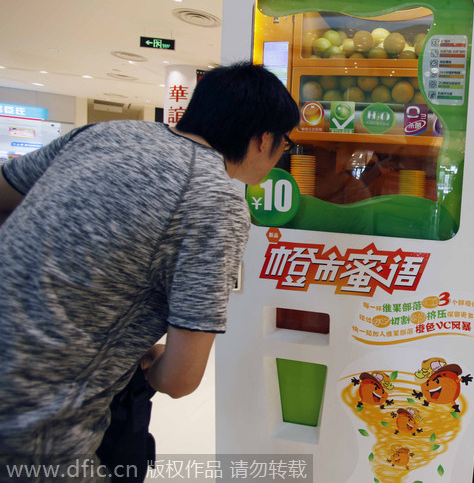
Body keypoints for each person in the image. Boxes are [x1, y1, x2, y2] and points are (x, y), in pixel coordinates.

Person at [0, 62, 299, 480]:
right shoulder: (216, 201)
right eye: (286, 142)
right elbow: (180, 378)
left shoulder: (106, 134)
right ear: (264, 139)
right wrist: (152, 361)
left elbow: (5, 192)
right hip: (35, 429)